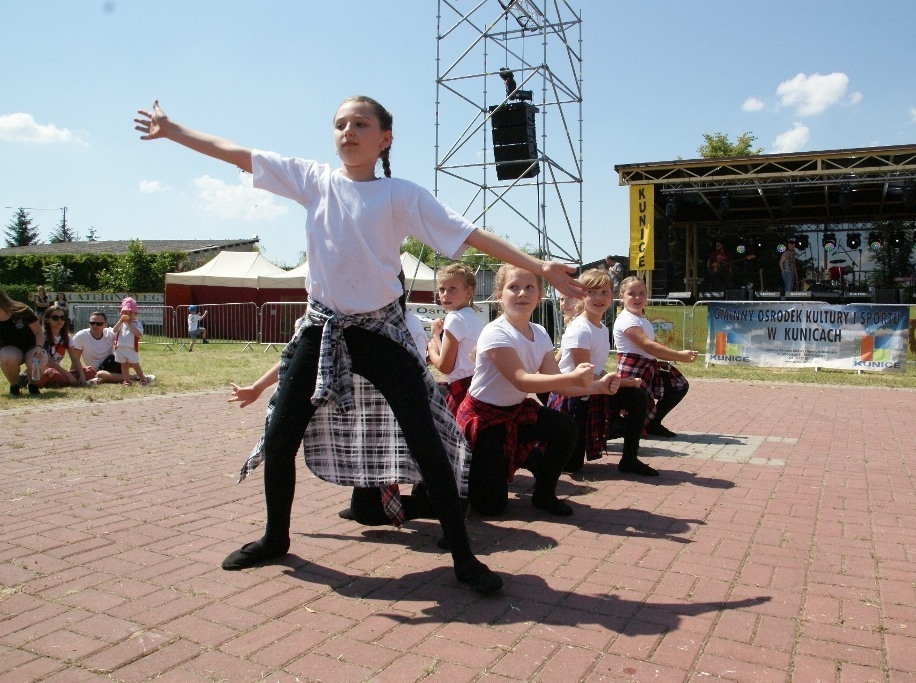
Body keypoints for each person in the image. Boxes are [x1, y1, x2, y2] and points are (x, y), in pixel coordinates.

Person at [136, 96, 583, 595]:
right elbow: (238, 153)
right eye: (340, 124)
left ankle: (463, 557)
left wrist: (541, 267)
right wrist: (173, 130)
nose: (347, 131)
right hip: (322, 329)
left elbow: (471, 234)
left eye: (360, 124)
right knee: (282, 434)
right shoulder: (313, 180)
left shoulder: (400, 196)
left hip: (380, 332)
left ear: (383, 138)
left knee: (426, 439)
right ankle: (275, 538)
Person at [455, 264, 619, 518]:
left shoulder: (540, 333)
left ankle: (544, 494)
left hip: (515, 412)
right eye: (514, 287)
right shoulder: (494, 332)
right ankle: (525, 456)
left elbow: (559, 386)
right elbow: (523, 381)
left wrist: (600, 387)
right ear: (500, 296)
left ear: (539, 296)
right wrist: (573, 375)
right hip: (485, 421)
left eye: (529, 287)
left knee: (565, 426)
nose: (522, 293)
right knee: (490, 508)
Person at [548, 268, 656, 476]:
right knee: (572, 466)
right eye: (592, 292)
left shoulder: (601, 328)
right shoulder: (580, 329)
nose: (599, 298)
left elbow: (596, 370)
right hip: (574, 398)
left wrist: (623, 383)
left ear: (613, 296)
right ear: (582, 296)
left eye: (604, 292)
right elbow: (583, 378)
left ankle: (629, 458)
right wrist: (625, 382)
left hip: (593, 392)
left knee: (637, 397)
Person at [613, 276, 698, 438]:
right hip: (633, 369)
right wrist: (680, 356)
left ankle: (652, 423)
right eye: (632, 294)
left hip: (647, 366)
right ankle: (619, 430)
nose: (638, 298)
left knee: (678, 385)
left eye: (642, 293)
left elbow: (654, 343)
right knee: (634, 407)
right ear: (621, 297)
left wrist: (670, 355)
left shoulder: (641, 318)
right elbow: (648, 345)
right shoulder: (626, 319)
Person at [426, 263, 484, 415]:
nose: (445, 294)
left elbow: (445, 367)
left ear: (468, 292)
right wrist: (436, 335)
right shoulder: (472, 316)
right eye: (442, 289)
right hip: (475, 385)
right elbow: (452, 356)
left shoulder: (455, 318)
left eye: (452, 288)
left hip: (462, 388)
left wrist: (432, 349)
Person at [1, 288, 47, 396]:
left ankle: (32, 384)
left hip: (31, 346)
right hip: (9, 348)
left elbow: (39, 332)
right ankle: (14, 386)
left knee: (37, 360)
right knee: (8, 358)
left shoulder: (21, 310)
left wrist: (39, 346)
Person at [68, 311, 135, 385]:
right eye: (92, 323)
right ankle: (133, 377)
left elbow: (128, 337)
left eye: (99, 324)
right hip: (96, 370)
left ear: (105, 325)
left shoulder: (110, 333)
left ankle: (135, 376)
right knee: (101, 374)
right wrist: (72, 374)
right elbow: (75, 359)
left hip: (112, 364)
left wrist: (128, 317)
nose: (95, 326)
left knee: (127, 355)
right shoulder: (81, 336)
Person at [33, 304, 85, 388]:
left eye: (63, 317)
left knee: (90, 371)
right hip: (41, 370)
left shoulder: (67, 337)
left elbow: (75, 359)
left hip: (56, 371)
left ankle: (54, 381)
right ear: (47, 320)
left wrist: (83, 376)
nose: (59, 320)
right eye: (55, 318)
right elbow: (49, 362)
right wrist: (68, 375)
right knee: (51, 374)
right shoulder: (41, 337)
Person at [112, 297, 150, 386]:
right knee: (124, 365)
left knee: (135, 364)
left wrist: (129, 323)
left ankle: (142, 379)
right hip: (120, 347)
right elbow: (114, 330)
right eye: (125, 312)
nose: (128, 314)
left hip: (131, 348)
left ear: (135, 314)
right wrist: (121, 321)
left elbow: (138, 334)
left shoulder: (137, 324)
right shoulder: (121, 323)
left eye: (130, 312)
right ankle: (126, 380)